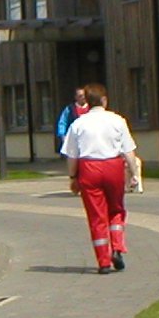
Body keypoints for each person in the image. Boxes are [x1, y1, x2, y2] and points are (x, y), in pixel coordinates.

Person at [60, 82, 141, 274]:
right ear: (104, 100)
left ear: (86, 102)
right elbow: (128, 150)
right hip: (113, 166)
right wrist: (134, 174)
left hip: (89, 167)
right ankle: (118, 248)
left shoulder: (78, 124)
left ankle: (103, 261)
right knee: (116, 209)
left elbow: (72, 156)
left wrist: (73, 177)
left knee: (97, 216)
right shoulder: (117, 120)